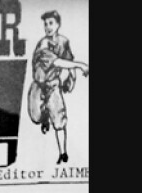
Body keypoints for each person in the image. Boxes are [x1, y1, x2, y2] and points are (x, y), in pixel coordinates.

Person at [28, 10, 90, 164]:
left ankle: (63, 153)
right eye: (46, 24)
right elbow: (57, 62)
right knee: (35, 117)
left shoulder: (63, 41)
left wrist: (72, 77)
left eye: (51, 23)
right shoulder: (43, 45)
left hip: (53, 86)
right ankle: (44, 119)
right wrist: (80, 65)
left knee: (60, 121)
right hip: (38, 86)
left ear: (58, 24)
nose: (48, 27)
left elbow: (67, 59)